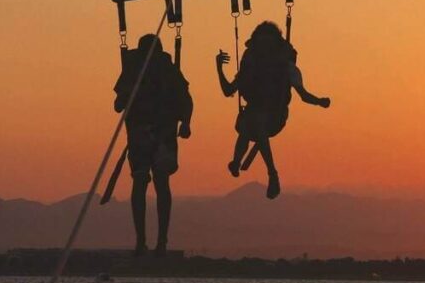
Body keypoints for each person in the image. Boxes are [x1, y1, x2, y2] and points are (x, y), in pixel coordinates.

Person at [216, 21, 330, 199]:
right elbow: (228, 91)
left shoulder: (285, 67)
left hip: (275, 116)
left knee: (255, 123)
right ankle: (236, 162)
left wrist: (320, 101)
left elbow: (303, 94)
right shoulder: (251, 67)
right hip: (252, 116)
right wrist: (219, 68)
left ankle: (272, 174)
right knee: (249, 124)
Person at [114, 34, 193, 257]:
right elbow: (119, 103)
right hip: (142, 135)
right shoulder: (134, 73)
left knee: (158, 182)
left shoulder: (168, 71)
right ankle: (144, 241)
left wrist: (186, 122)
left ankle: (159, 242)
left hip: (161, 135)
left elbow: (186, 100)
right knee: (144, 182)